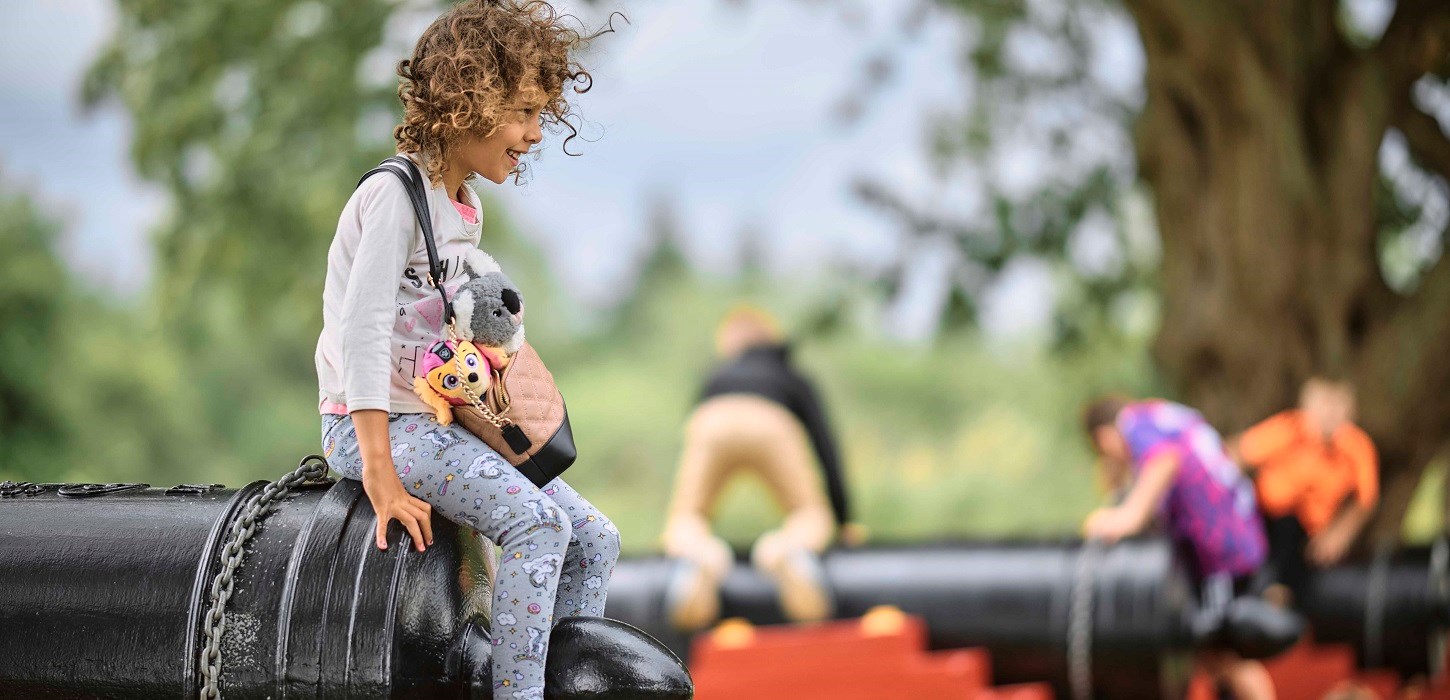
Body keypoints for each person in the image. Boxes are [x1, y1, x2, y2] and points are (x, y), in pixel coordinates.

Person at [313, 4, 618, 697]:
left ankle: (564, 679)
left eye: (544, 115)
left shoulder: (464, 207)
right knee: (537, 526)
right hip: (378, 429)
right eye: (524, 113)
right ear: (470, 103)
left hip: (441, 423)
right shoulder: (395, 196)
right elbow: (360, 334)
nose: (536, 133)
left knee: (594, 538)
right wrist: (382, 477)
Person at [662, 306, 862, 631]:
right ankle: (787, 550)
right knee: (809, 513)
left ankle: (701, 555)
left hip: (710, 418)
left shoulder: (716, 375)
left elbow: (688, 437)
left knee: (688, 516)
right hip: (771, 419)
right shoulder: (792, 376)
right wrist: (843, 520)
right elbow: (827, 448)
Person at [1081, 396, 1274, 700]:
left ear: (1104, 437)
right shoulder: (1164, 417)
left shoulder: (1134, 424)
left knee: (1228, 656)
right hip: (1236, 540)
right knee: (1211, 656)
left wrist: (1127, 516)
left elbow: (1164, 461)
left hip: (1220, 552)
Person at [1230, 378, 1378, 599]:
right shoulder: (1290, 428)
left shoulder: (1356, 447)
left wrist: (1339, 534)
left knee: (1290, 538)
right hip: (1261, 516)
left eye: (1337, 406)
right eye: (1323, 405)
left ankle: (1275, 599)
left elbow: (1366, 499)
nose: (1329, 414)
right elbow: (1240, 452)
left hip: (1303, 533)